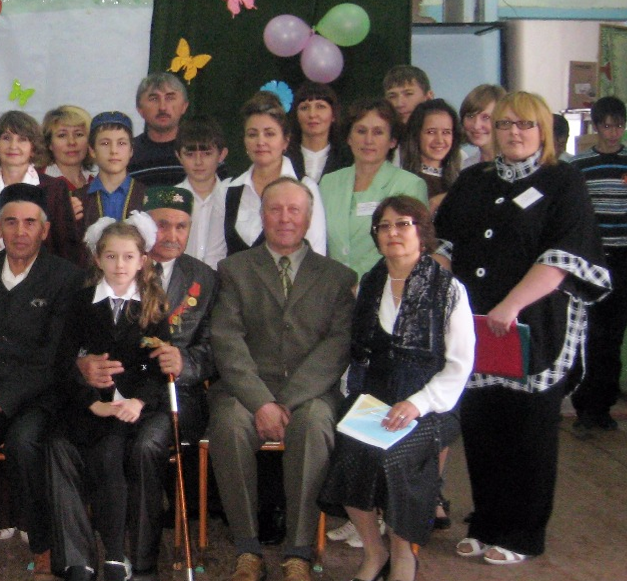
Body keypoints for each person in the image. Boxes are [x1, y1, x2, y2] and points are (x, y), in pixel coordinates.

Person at [436, 91, 609, 565]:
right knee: (482, 425)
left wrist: (511, 305)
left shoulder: (563, 181)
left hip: (535, 324)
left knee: (527, 432)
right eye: (505, 124)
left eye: (525, 124)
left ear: (543, 131)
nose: (514, 132)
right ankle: (486, 523)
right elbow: (445, 245)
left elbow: (563, 258)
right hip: (474, 325)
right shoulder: (473, 180)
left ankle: (523, 533)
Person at [318, 196, 474, 581]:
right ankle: (375, 551)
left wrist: (418, 403)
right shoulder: (369, 284)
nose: (393, 233)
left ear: (422, 232)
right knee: (349, 453)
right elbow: (357, 354)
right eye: (384, 226)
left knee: (396, 460)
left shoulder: (449, 289)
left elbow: (460, 365)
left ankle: (404, 557)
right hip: (374, 402)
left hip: (431, 406)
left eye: (403, 224)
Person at [207, 178, 356, 581]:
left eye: (294, 210)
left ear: (308, 217)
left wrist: (285, 403)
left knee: (313, 426)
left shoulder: (338, 277)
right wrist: (261, 402)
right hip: (246, 391)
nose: (285, 218)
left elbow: (336, 348)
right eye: (275, 209)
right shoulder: (234, 270)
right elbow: (227, 341)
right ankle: (247, 549)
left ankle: (299, 552)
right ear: (262, 215)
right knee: (228, 424)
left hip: (309, 394)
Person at [70, 186, 219, 579]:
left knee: (146, 446)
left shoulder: (205, 278)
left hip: (177, 394)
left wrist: (185, 363)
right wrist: (85, 366)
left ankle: (144, 561)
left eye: (182, 226)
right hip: (120, 390)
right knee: (107, 444)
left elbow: (214, 349)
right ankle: (112, 550)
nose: (172, 234)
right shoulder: (113, 269)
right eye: (163, 225)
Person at [0, 183, 83, 581]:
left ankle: (44, 543)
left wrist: (3, 399)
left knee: (25, 443)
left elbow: (57, 355)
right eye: (11, 222)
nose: (20, 231)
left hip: (41, 395)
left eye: (30, 222)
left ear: (45, 230)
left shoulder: (66, 278)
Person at [48, 214, 171, 581]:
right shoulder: (81, 302)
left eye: (129, 257)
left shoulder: (152, 306)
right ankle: (80, 559)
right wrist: (92, 401)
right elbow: (64, 361)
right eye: (112, 256)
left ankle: (115, 555)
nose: (120, 265)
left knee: (110, 453)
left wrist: (137, 401)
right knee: (60, 443)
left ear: (142, 261)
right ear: (98, 259)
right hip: (88, 404)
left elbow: (156, 366)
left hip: (130, 409)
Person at [203, 92, 327, 269]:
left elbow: (316, 255)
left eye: (269, 134)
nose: (260, 142)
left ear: (285, 141)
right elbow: (214, 256)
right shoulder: (227, 190)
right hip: (234, 286)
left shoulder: (305, 187)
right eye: (252, 134)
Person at [319, 98, 428, 277]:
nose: (368, 140)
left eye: (378, 132)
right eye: (361, 131)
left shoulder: (410, 185)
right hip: (332, 286)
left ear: (392, 141)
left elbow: (406, 246)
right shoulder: (328, 183)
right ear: (349, 138)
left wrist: (356, 280)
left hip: (383, 284)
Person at [570, 95, 627, 432]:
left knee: (613, 335)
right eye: (607, 126)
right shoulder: (580, 165)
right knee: (589, 333)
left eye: (619, 126)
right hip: (592, 259)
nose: (613, 132)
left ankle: (603, 407)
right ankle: (584, 407)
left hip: (624, 258)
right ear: (596, 126)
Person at [0, 111, 83, 266]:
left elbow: (67, 250)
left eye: (22, 139)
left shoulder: (55, 190)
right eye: (6, 138)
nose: (13, 146)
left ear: (33, 147)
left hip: (43, 278)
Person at [174, 118, 228, 263]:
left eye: (207, 154)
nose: (198, 162)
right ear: (178, 156)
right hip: (181, 275)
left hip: (223, 275)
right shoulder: (170, 199)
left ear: (222, 155)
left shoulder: (231, 197)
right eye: (190, 154)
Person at [82, 112, 146, 229]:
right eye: (105, 143)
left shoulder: (146, 196)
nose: (114, 151)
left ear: (131, 150)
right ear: (92, 150)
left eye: (121, 143)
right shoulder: (78, 199)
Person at [398, 99, 461, 213]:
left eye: (446, 132)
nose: (439, 140)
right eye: (431, 132)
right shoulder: (404, 183)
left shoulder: (460, 179)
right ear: (416, 135)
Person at [128, 72, 190, 186]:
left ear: (184, 106)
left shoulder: (202, 152)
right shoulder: (126, 154)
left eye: (170, 98)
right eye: (154, 99)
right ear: (140, 109)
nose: (162, 107)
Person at [286, 82, 349, 182]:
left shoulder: (347, 158)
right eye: (304, 108)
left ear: (333, 115)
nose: (312, 114)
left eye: (320, 107)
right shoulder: (284, 156)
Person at [41, 105, 96, 194]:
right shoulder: (36, 182)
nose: (71, 142)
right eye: (62, 135)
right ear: (49, 143)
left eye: (79, 134)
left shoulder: (96, 183)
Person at [459, 84, 505, 169]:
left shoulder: (515, 165)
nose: (476, 126)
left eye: (486, 117)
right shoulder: (466, 167)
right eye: (470, 116)